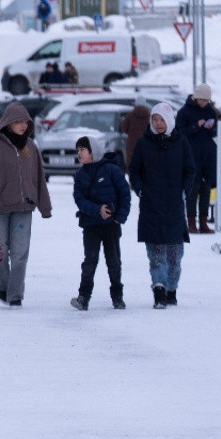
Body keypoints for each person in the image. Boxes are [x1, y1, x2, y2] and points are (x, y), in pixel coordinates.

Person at [0, 102, 52, 307]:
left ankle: (15, 295)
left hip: (24, 209)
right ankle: (1, 286)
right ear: (8, 122)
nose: (23, 126)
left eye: (26, 122)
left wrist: (45, 206)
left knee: (20, 254)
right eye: (18, 122)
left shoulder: (30, 146)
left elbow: (39, 177)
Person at [128, 102, 196, 309]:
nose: (158, 123)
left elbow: (190, 169)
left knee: (174, 257)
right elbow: (134, 170)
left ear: (169, 121)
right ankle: (159, 290)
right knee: (156, 256)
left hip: (174, 207)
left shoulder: (181, 143)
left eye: (162, 120)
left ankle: (171, 289)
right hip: (151, 207)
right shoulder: (143, 143)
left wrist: (184, 190)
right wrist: (140, 189)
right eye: (155, 119)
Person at [70, 136, 131, 311]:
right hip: (90, 225)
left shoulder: (111, 170)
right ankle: (83, 297)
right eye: (78, 150)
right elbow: (79, 199)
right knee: (90, 260)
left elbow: (125, 194)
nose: (79, 153)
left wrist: (119, 217)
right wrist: (97, 210)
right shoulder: (80, 175)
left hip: (111, 225)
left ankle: (117, 296)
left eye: (82, 149)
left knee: (114, 261)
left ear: (93, 151)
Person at [175, 83, 219, 234]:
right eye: (202, 100)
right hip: (191, 156)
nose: (204, 103)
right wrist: (196, 126)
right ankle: (191, 222)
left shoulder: (210, 111)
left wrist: (211, 128)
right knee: (192, 190)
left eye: (206, 100)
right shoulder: (184, 112)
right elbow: (179, 132)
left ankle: (204, 222)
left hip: (207, 156)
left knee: (206, 189)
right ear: (196, 98)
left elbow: (215, 132)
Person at [120, 101, 151, 165]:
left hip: (132, 143)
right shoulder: (149, 116)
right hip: (147, 142)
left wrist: (130, 132)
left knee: (131, 161)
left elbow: (123, 128)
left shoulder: (130, 115)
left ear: (135, 105)